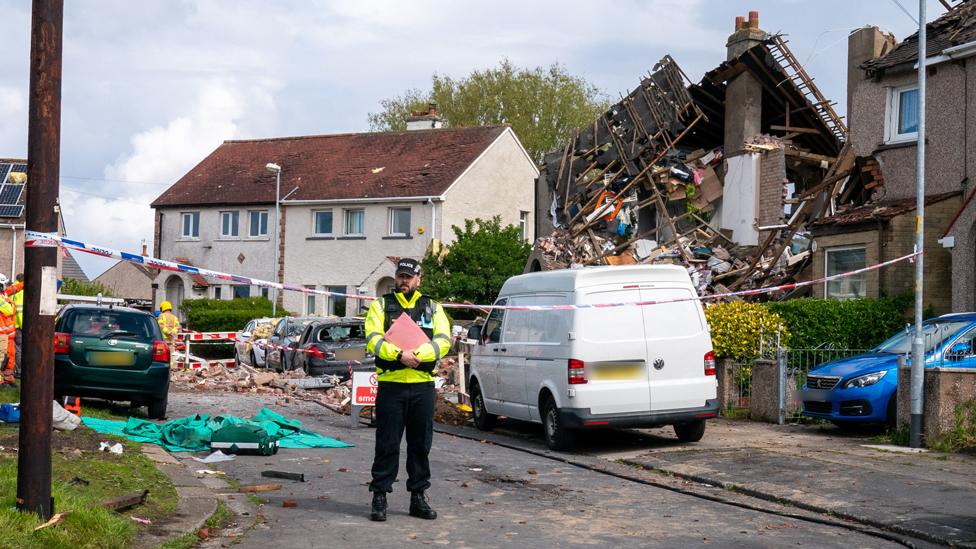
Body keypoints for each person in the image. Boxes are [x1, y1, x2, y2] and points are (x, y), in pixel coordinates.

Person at [365, 258, 451, 522]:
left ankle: (418, 497)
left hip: (422, 386)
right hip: (392, 385)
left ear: (419, 280)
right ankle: (379, 495)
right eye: (401, 276)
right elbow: (372, 339)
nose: (404, 281)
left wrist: (418, 355)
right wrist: (399, 354)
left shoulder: (433, 308)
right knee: (387, 443)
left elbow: (444, 340)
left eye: (409, 277)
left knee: (420, 445)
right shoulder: (380, 306)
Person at [6, 274, 23, 378]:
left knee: (13, 351)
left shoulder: (12, 289)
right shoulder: (20, 291)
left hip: (11, 325)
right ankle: (18, 371)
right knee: (17, 350)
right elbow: (19, 312)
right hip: (17, 326)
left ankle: (12, 373)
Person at [0, 275, 16, 385]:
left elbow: (15, 288)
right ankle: (2, 381)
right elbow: (9, 310)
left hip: (7, 335)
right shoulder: (1, 299)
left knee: (9, 358)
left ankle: (8, 379)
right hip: (2, 334)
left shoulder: (3, 295)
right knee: (1, 359)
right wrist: (12, 304)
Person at [157, 301, 181, 367]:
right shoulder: (175, 317)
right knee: (170, 354)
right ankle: (170, 367)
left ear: (162, 308)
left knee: (159, 353)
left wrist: (167, 332)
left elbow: (160, 325)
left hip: (162, 339)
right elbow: (177, 327)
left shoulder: (161, 316)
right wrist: (172, 333)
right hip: (171, 339)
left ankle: (160, 366)